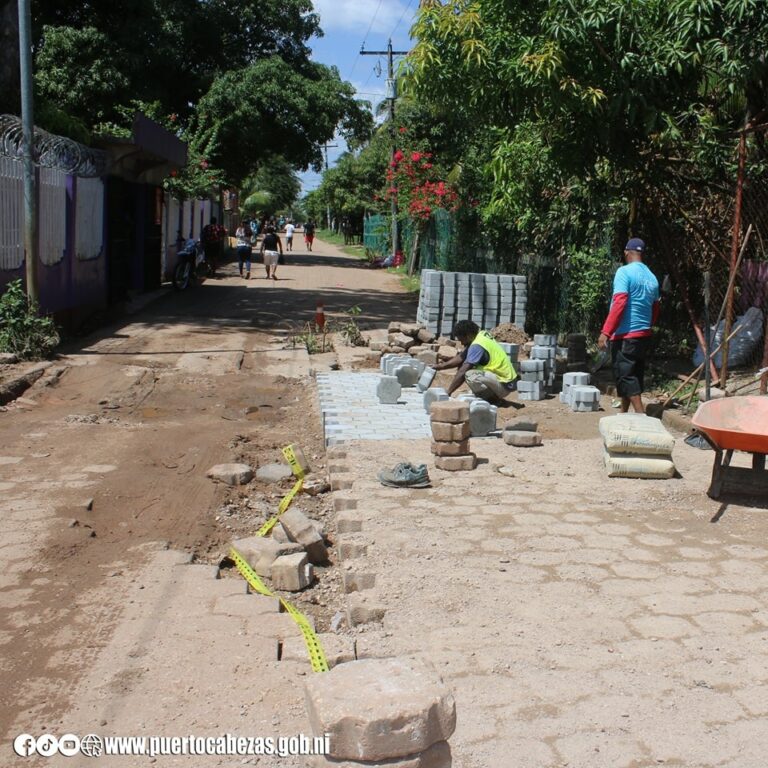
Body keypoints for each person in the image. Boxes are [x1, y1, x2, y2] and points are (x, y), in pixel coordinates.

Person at [598, 237, 660, 414]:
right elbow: (655, 308)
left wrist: (606, 332)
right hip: (643, 334)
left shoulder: (624, 272)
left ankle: (641, 415)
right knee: (633, 374)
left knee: (625, 376)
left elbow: (619, 303)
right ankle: (623, 414)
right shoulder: (652, 277)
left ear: (627, 252)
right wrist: (647, 326)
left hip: (626, 335)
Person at [434, 320, 518, 403]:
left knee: (470, 375)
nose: (462, 343)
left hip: (504, 384)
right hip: (505, 381)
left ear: (469, 335)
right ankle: (491, 396)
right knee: (466, 368)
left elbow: (463, 371)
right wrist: (441, 366)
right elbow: (461, 357)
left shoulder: (477, 345)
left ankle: (494, 401)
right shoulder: (481, 335)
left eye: (462, 340)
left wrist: (448, 392)